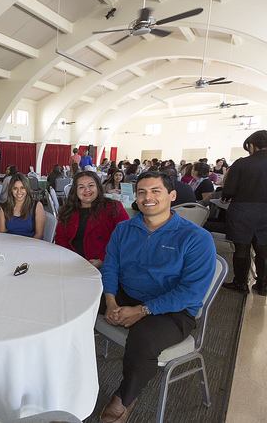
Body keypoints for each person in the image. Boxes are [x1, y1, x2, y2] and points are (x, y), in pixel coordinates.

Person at [98, 171, 216, 423]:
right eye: (141, 192)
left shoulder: (196, 238)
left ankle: (125, 396)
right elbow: (110, 267)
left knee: (144, 341)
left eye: (155, 191)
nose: (147, 197)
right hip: (126, 295)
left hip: (174, 308)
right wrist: (110, 301)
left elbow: (190, 292)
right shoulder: (124, 229)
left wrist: (142, 310)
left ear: (172, 196)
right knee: (79, 300)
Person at [222, 130, 267, 295]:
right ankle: (263, 286)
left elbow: (229, 190)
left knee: (241, 248)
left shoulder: (241, 164)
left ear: (253, 146)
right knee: (264, 249)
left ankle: (240, 283)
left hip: (243, 211)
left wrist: (225, 197)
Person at [55, 172, 128, 268]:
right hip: (73, 263)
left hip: (106, 265)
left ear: (98, 187)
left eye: (91, 185)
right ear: (75, 191)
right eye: (81, 187)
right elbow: (61, 239)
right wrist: (68, 259)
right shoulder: (67, 210)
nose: (87, 190)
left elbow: (126, 238)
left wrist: (102, 260)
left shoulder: (113, 207)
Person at [0, 173, 45, 239]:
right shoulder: (3, 208)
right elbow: (2, 233)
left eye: (22, 188)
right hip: (10, 245)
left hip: (32, 245)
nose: (19, 192)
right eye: (15, 188)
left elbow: (39, 235)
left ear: (27, 189)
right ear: (11, 190)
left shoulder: (37, 206)